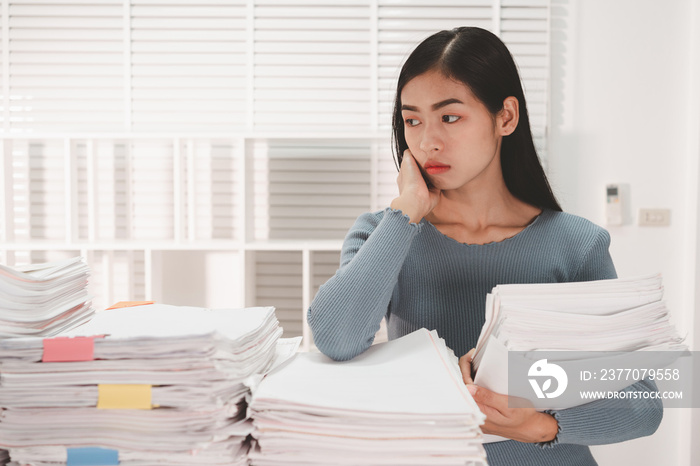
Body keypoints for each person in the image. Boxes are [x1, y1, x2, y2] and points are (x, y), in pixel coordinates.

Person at [307, 27, 662, 465]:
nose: (426, 141)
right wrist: (407, 213)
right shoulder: (384, 233)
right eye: (412, 120)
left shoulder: (576, 244)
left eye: (449, 117)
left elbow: (645, 402)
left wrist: (537, 425)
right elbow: (336, 338)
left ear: (505, 117)